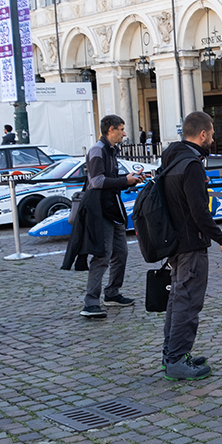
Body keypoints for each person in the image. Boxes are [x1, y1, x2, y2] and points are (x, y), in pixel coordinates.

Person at [159, 110, 222, 381]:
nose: (213, 138)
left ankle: (172, 354)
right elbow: (200, 211)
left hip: (176, 243)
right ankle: (177, 359)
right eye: (212, 133)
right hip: (190, 244)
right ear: (202, 134)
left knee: (177, 300)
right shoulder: (190, 165)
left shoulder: (172, 159)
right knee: (187, 302)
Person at [69, 114, 148, 319]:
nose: (124, 133)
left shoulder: (112, 150)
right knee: (102, 255)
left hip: (112, 208)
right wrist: (125, 181)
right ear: (110, 130)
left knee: (121, 253)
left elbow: (111, 179)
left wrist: (130, 180)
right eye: (121, 129)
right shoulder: (98, 149)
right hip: (99, 210)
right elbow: (96, 181)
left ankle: (112, 293)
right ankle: (90, 302)